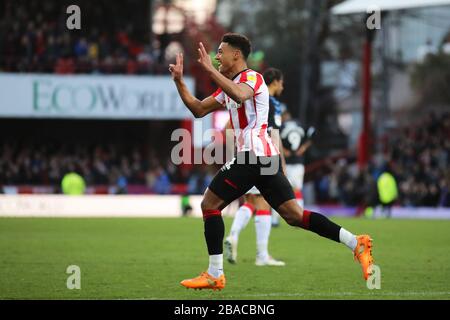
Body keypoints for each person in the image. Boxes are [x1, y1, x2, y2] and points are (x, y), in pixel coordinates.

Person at [169, 33, 374, 291]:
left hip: (252, 156)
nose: (217, 57)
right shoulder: (228, 85)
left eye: (221, 52)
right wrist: (178, 82)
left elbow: (241, 95)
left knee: (209, 204)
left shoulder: (251, 78)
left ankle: (214, 273)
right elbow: (198, 109)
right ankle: (357, 243)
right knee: (294, 216)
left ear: (236, 55)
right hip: (266, 159)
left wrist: (210, 70)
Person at [224, 68, 286, 267]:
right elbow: (273, 134)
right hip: (263, 154)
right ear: (275, 82)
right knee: (264, 204)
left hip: (245, 152)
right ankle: (262, 255)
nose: (282, 86)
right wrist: (280, 162)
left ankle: (233, 235)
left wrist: (234, 153)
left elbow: (227, 128)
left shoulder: (246, 94)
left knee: (250, 200)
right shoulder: (270, 101)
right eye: (281, 82)